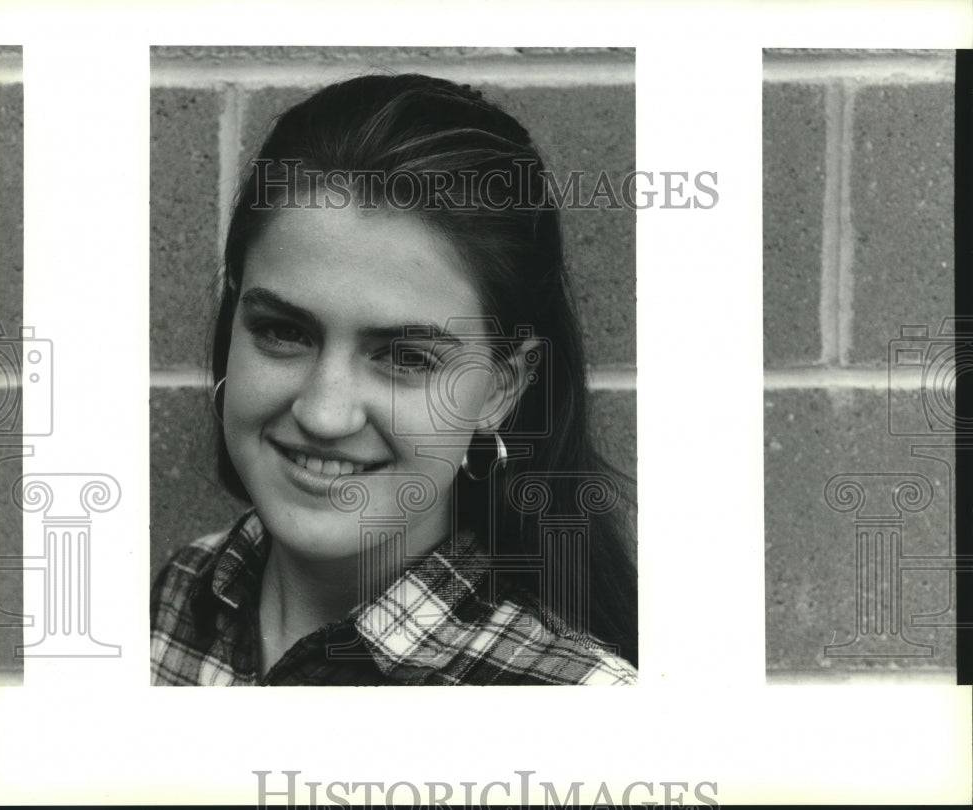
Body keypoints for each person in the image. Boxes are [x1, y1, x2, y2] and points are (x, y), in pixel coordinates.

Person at [150, 73, 638, 685]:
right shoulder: (179, 594)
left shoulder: (584, 713)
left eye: (407, 358)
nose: (325, 414)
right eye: (283, 331)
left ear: (500, 388)